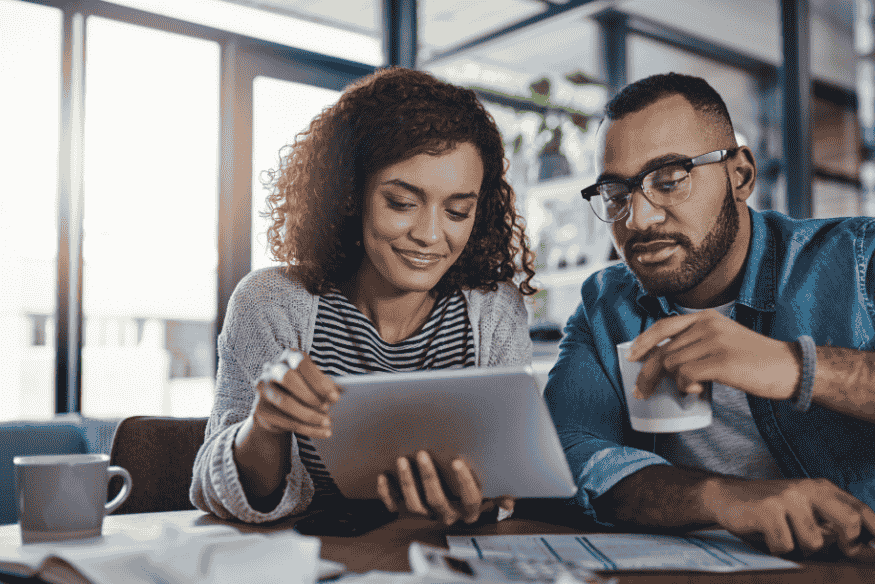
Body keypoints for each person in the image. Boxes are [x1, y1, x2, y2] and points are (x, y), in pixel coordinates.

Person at [545, 72, 875, 560]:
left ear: (739, 175)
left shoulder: (858, 258)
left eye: (669, 180)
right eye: (617, 194)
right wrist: (721, 499)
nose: (639, 219)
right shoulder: (605, 305)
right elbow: (564, 452)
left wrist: (793, 366)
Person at [189, 67, 536, 526]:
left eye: (457, 210)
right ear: (350, 194)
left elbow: (510, 480)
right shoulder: (270, 302)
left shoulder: (495, 310)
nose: (431, 235)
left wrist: (491, 496)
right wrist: (265, 427)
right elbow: (219, 495)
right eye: (401, 203)